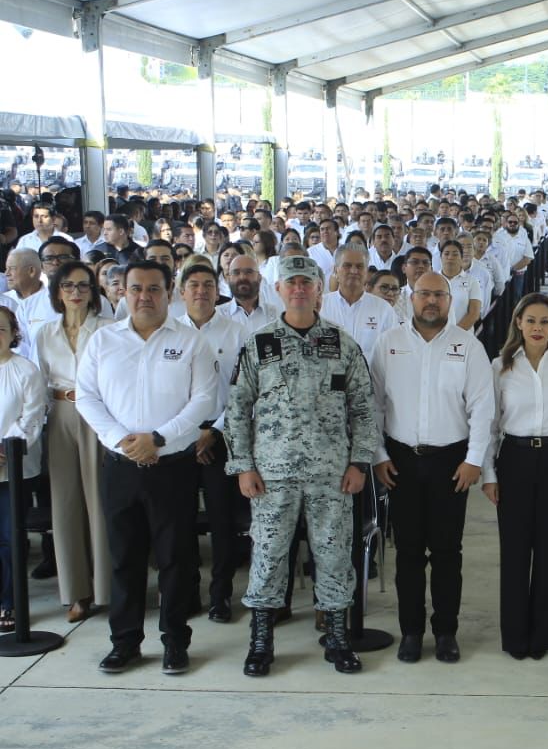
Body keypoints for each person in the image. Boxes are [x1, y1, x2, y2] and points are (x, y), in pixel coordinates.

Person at [224, 255, 379, 677]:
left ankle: (338, 638)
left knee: (334, 554)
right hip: (272, 475)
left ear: (319, 289)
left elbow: (364, 408)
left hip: (332, 474)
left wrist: (359, 462)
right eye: (291, 282)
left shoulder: (342, 343)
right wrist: (243, 466)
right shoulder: (259, 344)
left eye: (306, 282)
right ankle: (261, 641)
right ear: (278, 289)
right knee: (269, 554)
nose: (298, 289)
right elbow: (237, 409)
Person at [76, 259, 217, 675]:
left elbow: (203, 401)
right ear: (123, 292)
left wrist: (156, 439)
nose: (144, 297)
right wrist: (125, 441)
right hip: (120, 466)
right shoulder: (103, 341)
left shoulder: (191, 342)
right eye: (136, 288)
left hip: (172, 467)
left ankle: (175, 641)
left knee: (176, 559)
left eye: (154, 289)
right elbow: (86, 396)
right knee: (125, 558)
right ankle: (125, 643)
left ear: (169, 292)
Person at [371, 271, 494, 664]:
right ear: (411, 297)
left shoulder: (468, 346)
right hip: (400, 461)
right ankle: (411, 631)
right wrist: (379, 455)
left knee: (446, 552)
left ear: (449, 300)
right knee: (407, 551)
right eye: (424, 293)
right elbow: (373, 404)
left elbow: (482, 408)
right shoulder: (389, 343)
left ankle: (445, 632)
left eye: (439, 295)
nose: (431, 301)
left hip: (451, 463)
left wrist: (474, 459)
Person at [481, 293, 548, 660]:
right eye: (531, 320)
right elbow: (491, 424)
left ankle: (543, 635)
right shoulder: (500, 367)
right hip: (515, 459)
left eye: (545, 321)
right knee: (515, 550)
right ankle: (515, 636)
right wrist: (489, 473)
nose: (537, 328)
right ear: (518, 324)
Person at [35, 262, 113, 622]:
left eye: (83, 285)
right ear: (57, 292)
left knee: (99, 499)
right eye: (68, 285)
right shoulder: (44, 333)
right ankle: (75, 592)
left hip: (98, 413)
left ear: (93, 292)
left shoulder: (107, 329)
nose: (76, 292)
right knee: (65, 503)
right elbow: (40, 383)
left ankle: (106, 588)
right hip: (61, 413)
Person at [176, 262, 249, 623]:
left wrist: (213, 431)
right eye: (194, 285)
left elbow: (243, 391)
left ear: (217, 291)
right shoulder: (169, 332)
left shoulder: (237, 333)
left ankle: (221, 594)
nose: (201, 291)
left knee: (222, 521)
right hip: (178, 439)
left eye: (208, 284)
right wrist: (190, 433)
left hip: (221, 436)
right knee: (181, 520)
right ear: (182, 292)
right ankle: (188, 591)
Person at [0, 304, 44, 633]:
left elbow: (31, 417)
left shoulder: (25, 370)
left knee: (8, 538)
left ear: (14, 333)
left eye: (1, 329)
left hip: (13, 469)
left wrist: (5, 450)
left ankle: (9, 601)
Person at [320, 244, 398, 362]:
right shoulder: (321, 306)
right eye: (347, 265)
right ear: (336, 270)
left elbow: (392, 353)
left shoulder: (384, 309)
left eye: (359, 266)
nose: (354, 271)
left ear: (366, 271)